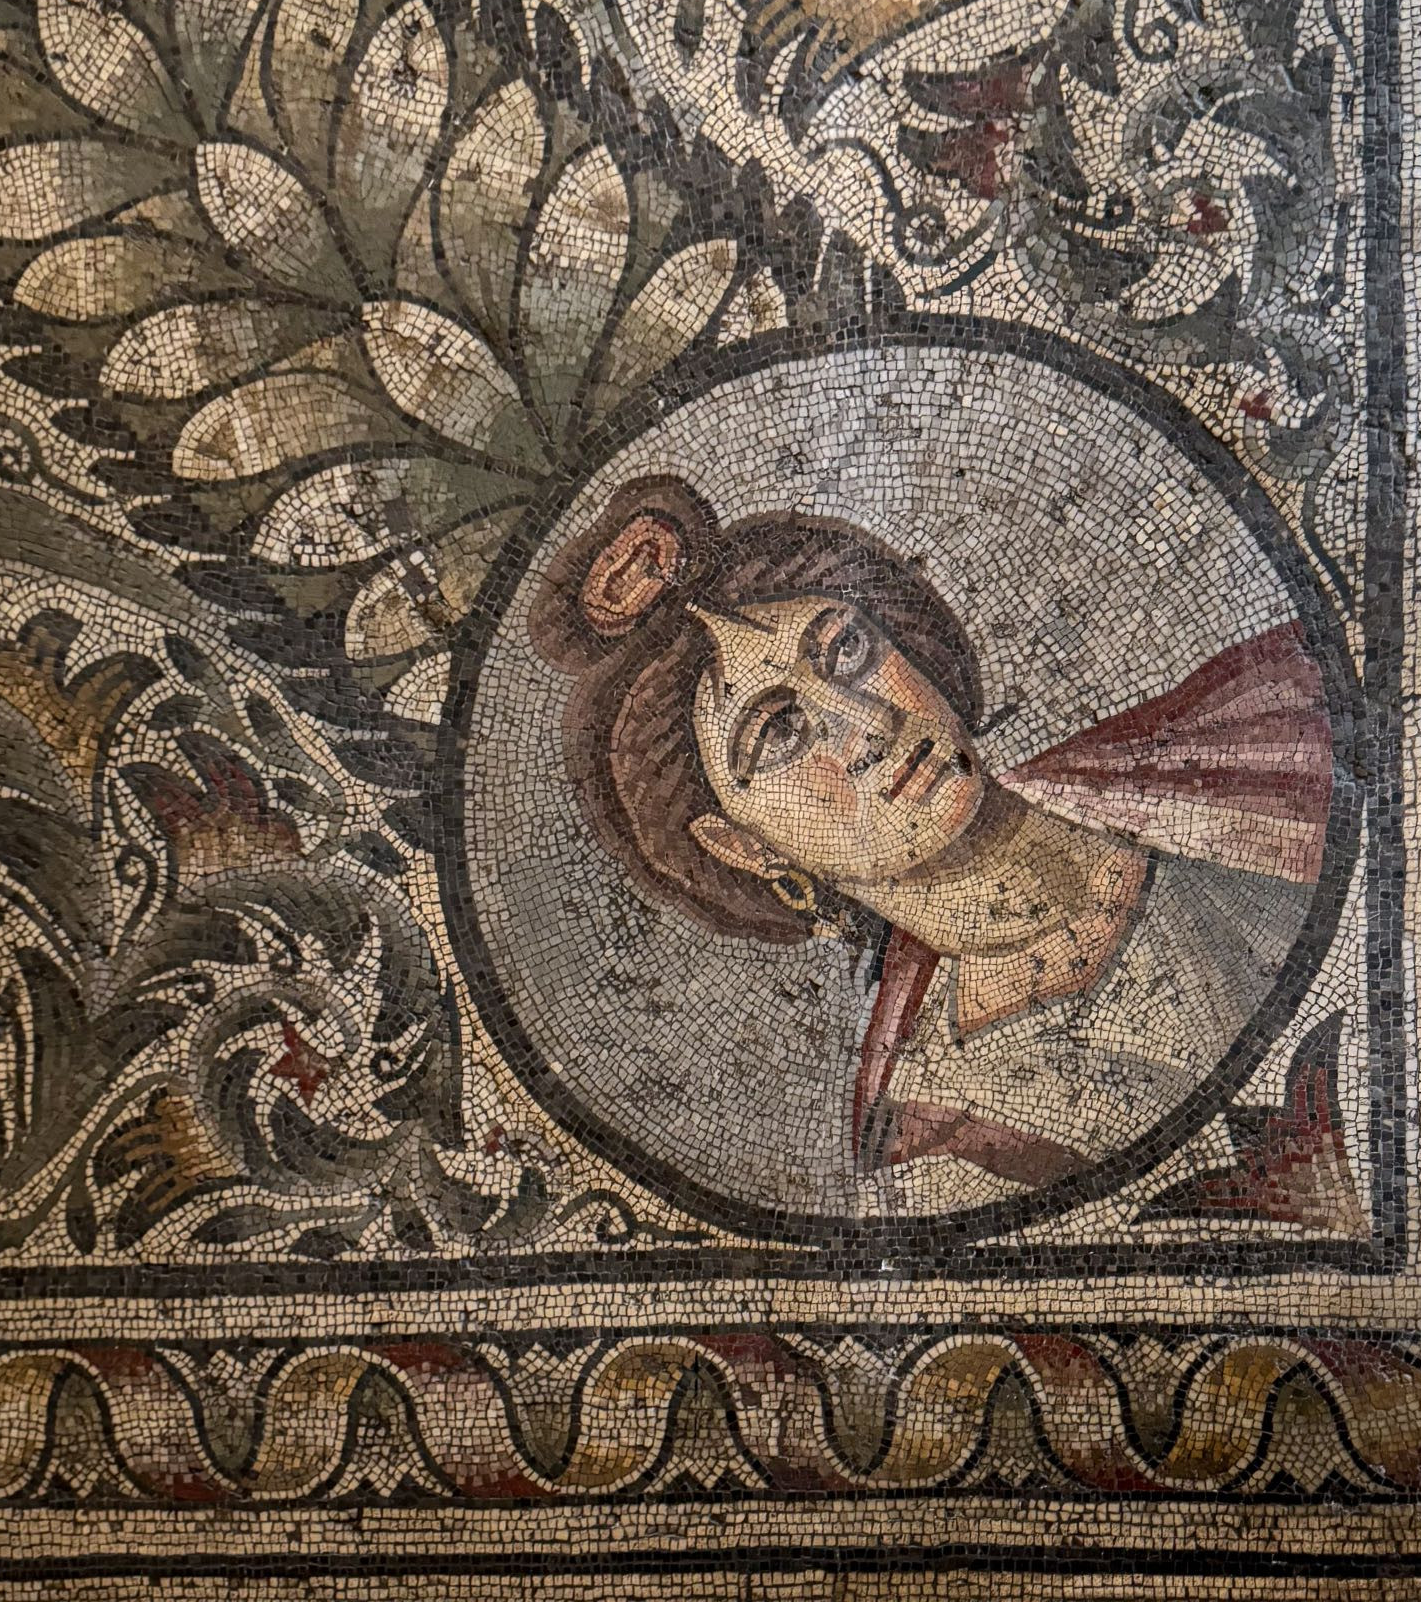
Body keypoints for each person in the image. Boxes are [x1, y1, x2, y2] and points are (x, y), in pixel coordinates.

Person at [531, 474, 1335, 1195]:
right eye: (776, 735)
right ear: (746, 846)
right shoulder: (950, 1146)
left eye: (845, 651)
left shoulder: (1261, 729)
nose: (866, 725)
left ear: (909, 645)